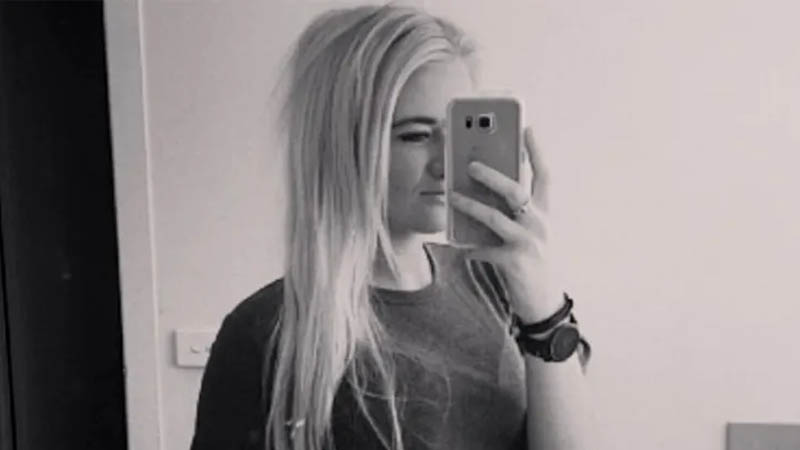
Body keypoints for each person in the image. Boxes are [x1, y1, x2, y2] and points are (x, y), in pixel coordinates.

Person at [190, 4, 592, 450]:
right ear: (343, 143)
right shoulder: (266, 332)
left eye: (458, 132)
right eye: (415, 135)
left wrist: (544, 306)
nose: (446, 164)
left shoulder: (495, 278)